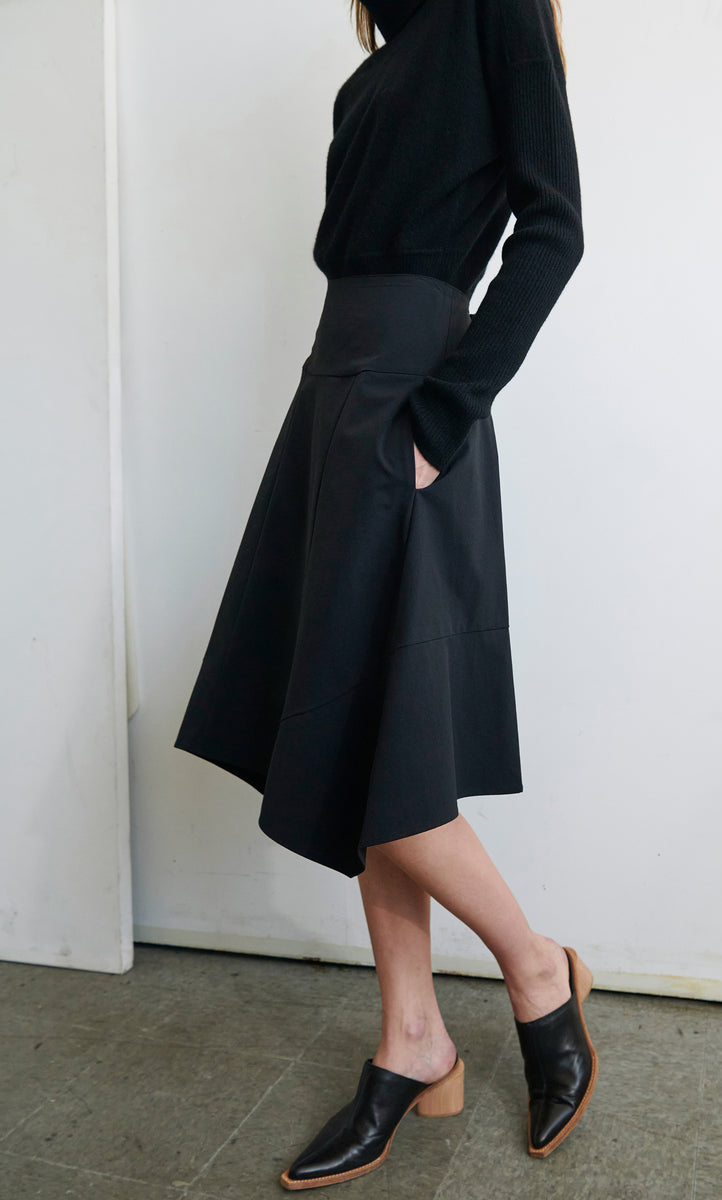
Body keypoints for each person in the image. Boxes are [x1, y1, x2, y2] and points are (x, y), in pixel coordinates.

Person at [173, 0, 593, 1188]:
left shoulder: (493, 13)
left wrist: (442, 416)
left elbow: (555, 232)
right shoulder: (377, 66)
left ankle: (535, 968)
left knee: (371, 739)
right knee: (356, 731)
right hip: (335, 391)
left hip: (408, 396)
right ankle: (414, 1036)